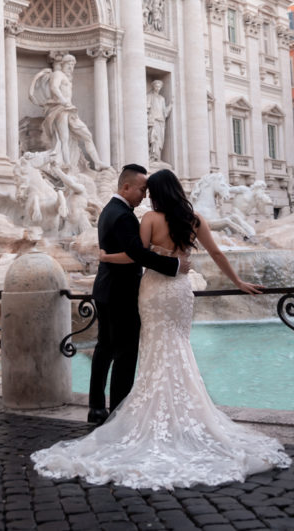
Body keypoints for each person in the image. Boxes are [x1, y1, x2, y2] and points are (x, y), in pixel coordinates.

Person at [33, 169, 291, 490]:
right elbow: (217, 252)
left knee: (152, 347)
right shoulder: (194, 219)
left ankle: (131, 412)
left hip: (154, 291)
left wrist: (105, 256)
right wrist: (238, 281)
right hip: (180, 291)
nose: (145, 195)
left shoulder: (150, 220)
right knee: (178, 345)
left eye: (148, 191)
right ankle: (179, 414)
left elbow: (134, 256)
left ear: (155, 193)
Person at [83, 164, 189, 426]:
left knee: (104, 348)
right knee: (125, 353)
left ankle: (96, 406)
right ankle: (119, 411)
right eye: (142, 189)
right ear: (126, 187)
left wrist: (107, 257)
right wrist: (174, 265)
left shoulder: (109, 210)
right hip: (121, 293)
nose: (145, 195)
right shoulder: (123, 216)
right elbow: (137, 254)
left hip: (105, 289)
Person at [29, 54, 103, 170]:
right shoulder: (58, 74)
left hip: (69, 110)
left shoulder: (67, 78)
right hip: (60, 109)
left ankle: (97, 162)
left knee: (87, 135)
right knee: (64, 138)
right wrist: (63, 101)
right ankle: (67, 164)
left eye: (73, 65)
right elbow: (54, 87)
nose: (71, 67)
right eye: (69, 64)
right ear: (63, 64)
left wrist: (66, 103)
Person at [146, 79, 171, 163]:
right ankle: (153, 157)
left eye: (159, 86)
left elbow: (165, 113)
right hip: (153, 121)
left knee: (160, 140)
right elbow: (146, 108)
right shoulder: (149, 96)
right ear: (153, 87)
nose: (158, 88)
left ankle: (158, 157)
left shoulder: (162, 99)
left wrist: (171, 104)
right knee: (153, 139)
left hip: (161, 121)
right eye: (156, 86)